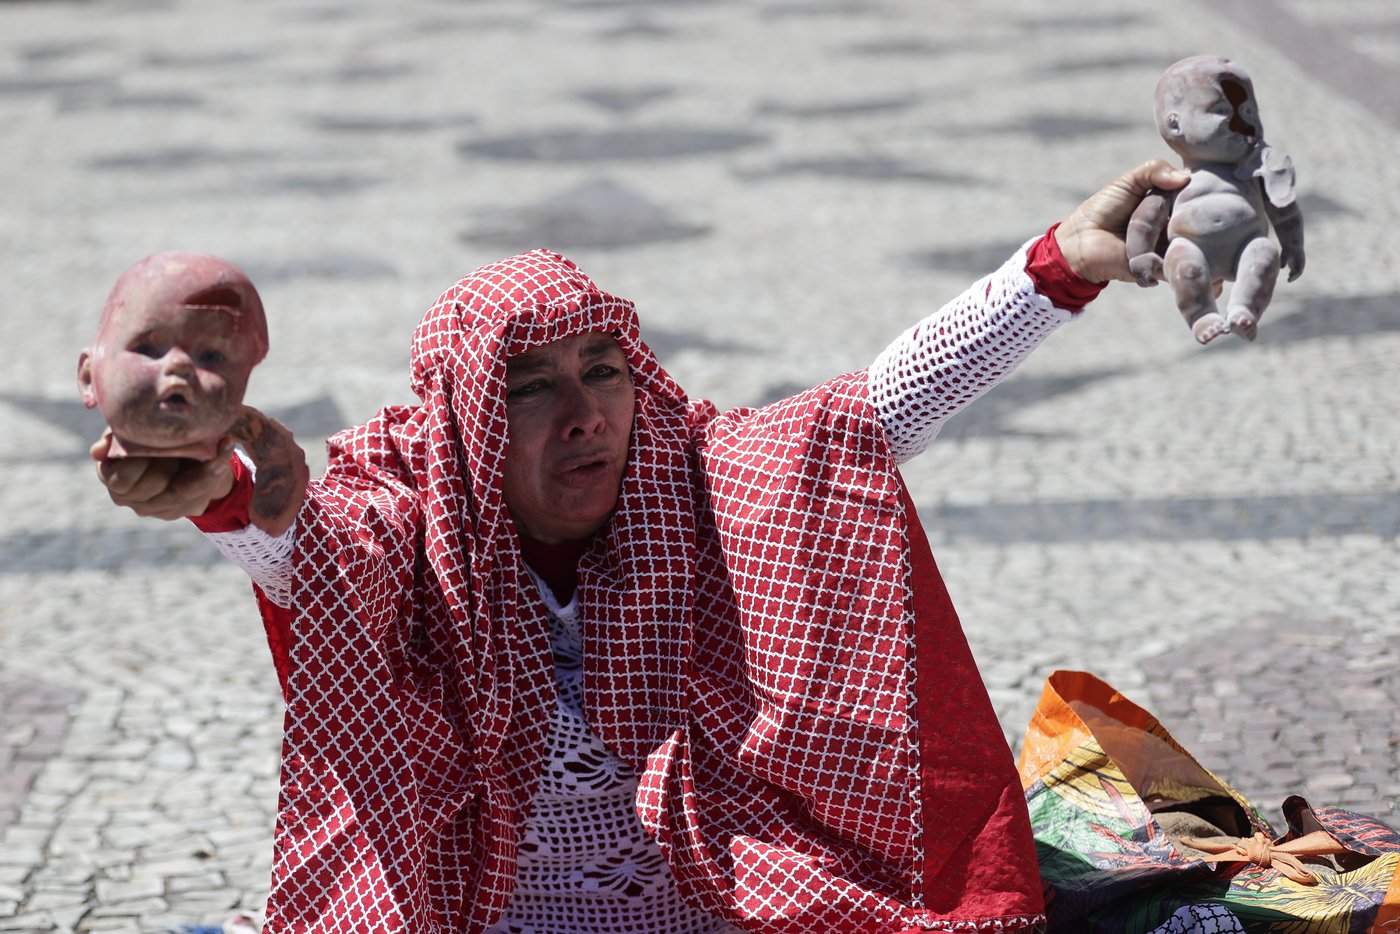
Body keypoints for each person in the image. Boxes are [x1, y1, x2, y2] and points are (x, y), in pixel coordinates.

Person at [94, 160, 1189, 934]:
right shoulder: (406, 513)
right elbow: (306, 548)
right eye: (531, 388)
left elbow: (876, 408)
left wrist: (1059, 266)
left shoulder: (701, 476)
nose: (585, 414)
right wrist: (221, 492)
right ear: (468, 418)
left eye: (602, 371)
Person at [1127, 55, 1305, 344]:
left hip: (1247, 245)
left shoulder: (1256, 173)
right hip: (1192, 245)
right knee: (1184, 265)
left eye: (1249, 111)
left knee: (1264, 254)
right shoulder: (1175, 180)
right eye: (1223, 110)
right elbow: (1146, 219)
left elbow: (1284, 210)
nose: (1241, 121)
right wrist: (1140, 253)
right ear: (1175, 125)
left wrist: (1293, 244)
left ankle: (1245, 307)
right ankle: (1201, 315)